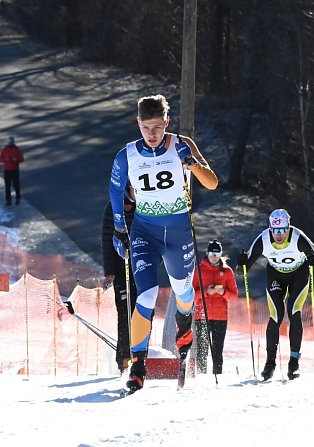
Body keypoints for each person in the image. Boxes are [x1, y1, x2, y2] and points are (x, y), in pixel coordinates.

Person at [108, 94, 218, 393]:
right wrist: (120, 230)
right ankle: (138, 366)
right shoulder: (126, 155)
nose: (152, 134)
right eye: (145, 127)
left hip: (179, 231)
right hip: (145, 231)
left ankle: (185, 328)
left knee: (183, 295)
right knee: (146, 295)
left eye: (157, 127)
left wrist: (190, 162)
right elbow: (115, 191)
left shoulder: (181, 144)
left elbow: (212, 182)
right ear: (138, 124)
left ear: (166, 122)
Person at [237, 209, 314, 380]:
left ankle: (293, 363)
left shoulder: (298, 238)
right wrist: (242, 262)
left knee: (294, 312)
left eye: (282, 230)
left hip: (299, 275)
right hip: (275, 275)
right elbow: (243, 267)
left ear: (289, 227)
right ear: (270, 228)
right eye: (275, 230)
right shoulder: (263, 239)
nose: (279, 235)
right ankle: (270, 363)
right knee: (275, 315)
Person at [101, 182, 138, 373]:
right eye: (134, 188)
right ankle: (124, 358)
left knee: (143, 312)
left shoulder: (149, 203)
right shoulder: (116, 205)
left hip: (142, 266)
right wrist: (110, 271)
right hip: (121, 265)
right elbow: (106, 238)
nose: (137, 192)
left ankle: (141, 357)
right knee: (125, 313)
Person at [192, 239, 238, 374]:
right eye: (212, 253)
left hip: (220, 316)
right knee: (202, 349)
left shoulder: (227, 271)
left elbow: (234, 295)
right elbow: (191, 295)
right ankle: (201, 375)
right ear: (207, 253)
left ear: (221, 255)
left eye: (217, 254)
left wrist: (223, 292)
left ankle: (217, 374)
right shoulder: (198, 271)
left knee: (217, 349)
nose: (214, 257)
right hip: (202, 315)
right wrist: (206, 291)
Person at [0, 135, 24, 205]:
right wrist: (5, 159)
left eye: (11, 142)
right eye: (9, 142)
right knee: (7, 186)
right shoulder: (4, 150)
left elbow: (21, 159)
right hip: (7, 170)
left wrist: (16, 160)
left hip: (15, 170)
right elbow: (0, 158)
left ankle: (18, 197)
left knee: (16, 185)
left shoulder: (17, 150)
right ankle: (8, 200)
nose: (10, 143)